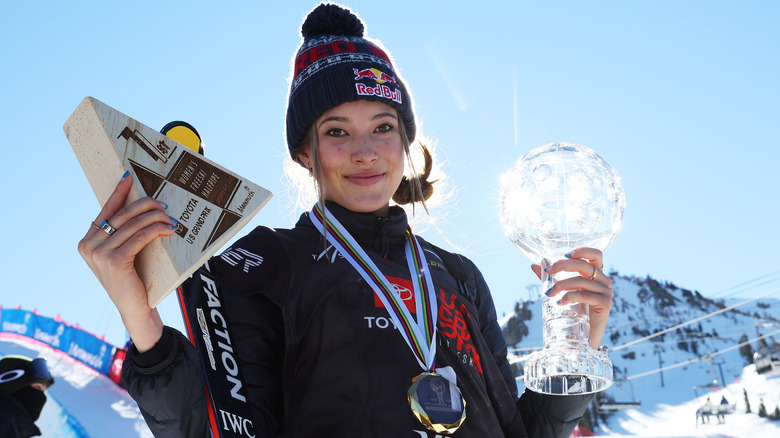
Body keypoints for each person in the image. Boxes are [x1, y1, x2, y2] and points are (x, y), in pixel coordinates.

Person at [77, 3, 615, 437]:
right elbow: (213, 428)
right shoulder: (262, 263)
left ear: (406, 142)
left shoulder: (457, 276)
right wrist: (140, 315)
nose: (365, 152)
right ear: (306, 153)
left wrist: (577, 353)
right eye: (336, 131)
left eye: (383, 126)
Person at [0, 355, 55, 438]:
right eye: (37, 387)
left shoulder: (14, 427)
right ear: (12, 383)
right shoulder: (3, 420)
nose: (42, 397)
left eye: (43, 391)